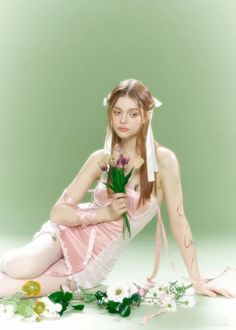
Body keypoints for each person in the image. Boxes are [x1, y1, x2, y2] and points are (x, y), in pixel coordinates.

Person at [0, 78, 235, 300]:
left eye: (133, 114)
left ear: (147, 116)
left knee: (12, 288)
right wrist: (106, 213)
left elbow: (179, 220)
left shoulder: (164, 161)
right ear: (110, 114)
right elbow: (58, 212)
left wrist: (197, 281)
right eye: (117, 112)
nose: (123, 120)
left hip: (93, 262)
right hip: (67, 234)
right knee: (21, 267)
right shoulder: (101, 158)